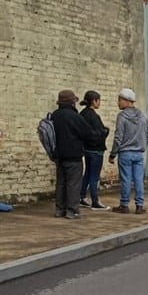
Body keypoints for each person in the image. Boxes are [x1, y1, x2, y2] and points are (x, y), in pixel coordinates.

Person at [51, 89, 97, 219]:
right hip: (74, 155)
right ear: (72, 103)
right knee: (73, 184)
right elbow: (88, 133)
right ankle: (72, 210)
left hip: (59, 155)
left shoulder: (54, 116)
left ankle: (59, 209)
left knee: (61, 183)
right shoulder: (75, 117)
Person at [109, 88, 148, 214]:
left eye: (120, 100)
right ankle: (139, 205)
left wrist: (113, 154)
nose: (118, 103)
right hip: (139, 153)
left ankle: (124, 205)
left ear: (127, 101)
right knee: (139, 180)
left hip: (125, 153)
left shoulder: (122, 116)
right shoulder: (143, 115)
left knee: (126, 180)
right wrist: (143, 146)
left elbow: (118, 137)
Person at [79, 90, 110, 211]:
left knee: (87, 173)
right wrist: (106, 131)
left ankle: (81, 196)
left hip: (86, 149)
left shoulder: (82, 114)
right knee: (94, 176)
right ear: (94, 101)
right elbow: (99, 133)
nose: (100, 103)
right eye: (98, 100)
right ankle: (95, 200)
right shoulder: (94, 116)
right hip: (96, 150)